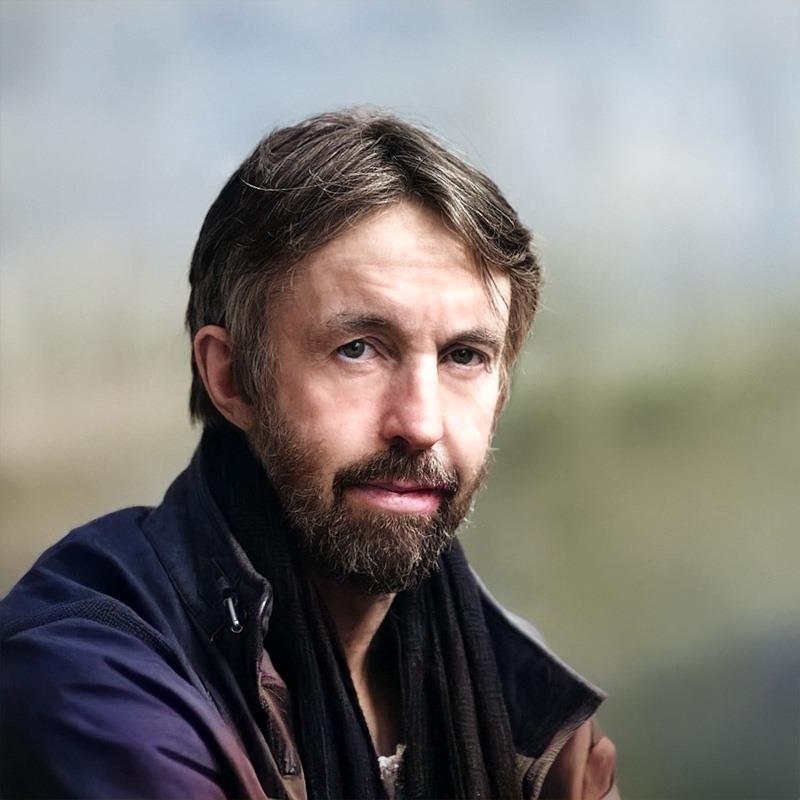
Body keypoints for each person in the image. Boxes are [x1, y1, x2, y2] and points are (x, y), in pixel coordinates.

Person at [0, 109, 618, 799]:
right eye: (358, 349)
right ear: (233, 377)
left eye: (464, 356)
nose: (420, 423)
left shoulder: (519, 692)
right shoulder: (93, 678)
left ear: (501, 390)